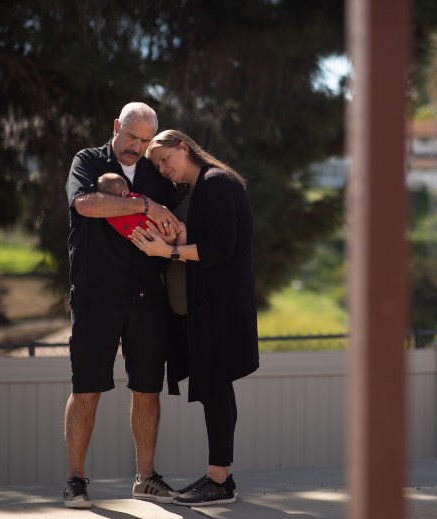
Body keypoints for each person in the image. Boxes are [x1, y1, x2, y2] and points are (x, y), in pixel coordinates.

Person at [130, 130, 259, 506]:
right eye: (156, 166)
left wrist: (165, 252)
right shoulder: (205, 185)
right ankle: (221, 477)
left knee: (215, 388)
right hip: (210, 304)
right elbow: (209, 237)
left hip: (218, 305)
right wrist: (181, 236)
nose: (163, 168)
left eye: (165, 158)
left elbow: (221, 247)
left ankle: (219, 481)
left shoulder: (216, 182)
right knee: (215, 388)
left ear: (184, 148)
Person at [63, 102, 182, 508]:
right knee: (86, 389)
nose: (137, 146)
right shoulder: (87, 160)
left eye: (146, 140)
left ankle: (146, 478)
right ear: (116, 126)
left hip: (147, 296)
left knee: (148, 389)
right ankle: (75, 480)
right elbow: (86, 204)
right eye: (131, 136)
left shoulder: (156, 173)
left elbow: (175, 226)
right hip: (95, 294)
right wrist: (146, 205)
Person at [96, 172, 151, 238]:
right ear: (124, 192)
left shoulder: (108, 214)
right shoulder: (133, 198)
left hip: (138, 239)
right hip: (155, 229)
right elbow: (148, 203)